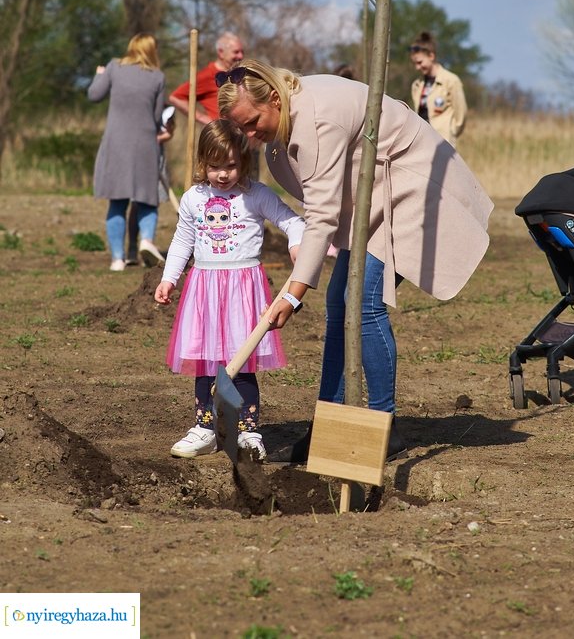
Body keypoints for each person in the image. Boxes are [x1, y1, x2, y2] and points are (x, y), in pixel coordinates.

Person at [217, 60, 493, 463]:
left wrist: (292, 295)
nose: (249, 135)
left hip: (412, 190)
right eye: (241, 127)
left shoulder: (317, 118)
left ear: (274, 99)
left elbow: (323, 214)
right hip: (373, 199)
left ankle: (384, 427)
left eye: (252, 122)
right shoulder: (288, 117)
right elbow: (319, 199)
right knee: (338, 302)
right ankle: (326, 426)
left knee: (362, 303)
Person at [154, 119, 305, 461]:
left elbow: (292, 221)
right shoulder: (193, 198)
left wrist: (297, 244)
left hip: (243, 293)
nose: (222, 174)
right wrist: (169, 278)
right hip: (204, 292)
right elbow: (182, 241)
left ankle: (248, 432)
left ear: (244, 161)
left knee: (243, 362)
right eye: (214, 166)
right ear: (202, 163)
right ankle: (205, 429)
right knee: (206, 361)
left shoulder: (256, 196)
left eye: (231, 166)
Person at [88, 33, 166, 271]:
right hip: (145, 145)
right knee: (147, 200)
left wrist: (99, 75)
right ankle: (146, 241)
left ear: (131, 47)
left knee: (117, 201)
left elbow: (94, 95)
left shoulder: (114, 67)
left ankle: (117, 259)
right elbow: (156, 117)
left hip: (116, 144)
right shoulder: (158, 76)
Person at [126, 106, 176, 266]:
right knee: (138, 202)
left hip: (155, 158)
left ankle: (145, 245)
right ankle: (135, 248)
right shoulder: (137, 109)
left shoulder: (165, 109)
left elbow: (169, 131)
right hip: (139, 158)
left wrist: (157, 139)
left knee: (150, 202)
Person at [168, 32, 245, 126]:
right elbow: (175, 97)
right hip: (224, 132)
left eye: (242, 52)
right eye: (236, 52)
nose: (241, 56)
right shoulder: (208, 75)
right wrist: (202, 118)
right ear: (221, 52)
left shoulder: (240, 73)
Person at [409, 32, 467, 147]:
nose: (417, 67)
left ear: (431, 56)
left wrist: (451, 133)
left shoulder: (451, 81)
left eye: (420, 62)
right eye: (415, 63)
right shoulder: (416, 85)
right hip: (421, 142)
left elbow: (461, 115)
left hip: (443, 143)